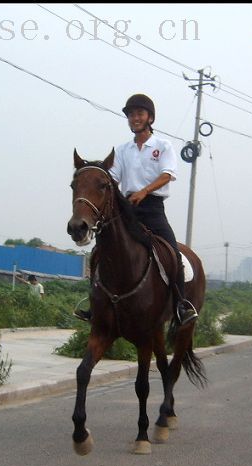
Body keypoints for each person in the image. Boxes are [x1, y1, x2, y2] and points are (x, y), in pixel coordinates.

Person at [74, 93, 198, 325]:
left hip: (153, 209)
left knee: (173, 253)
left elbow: (168, 174)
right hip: (127, 208)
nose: (135, 118)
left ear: (150, 117)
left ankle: (181, 305)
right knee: (99, 251)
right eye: (131, 115)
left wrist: (145, 191)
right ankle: (95, 306)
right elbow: (112, 180)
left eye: (139, 114)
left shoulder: (162, 146)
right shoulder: (122, 150)